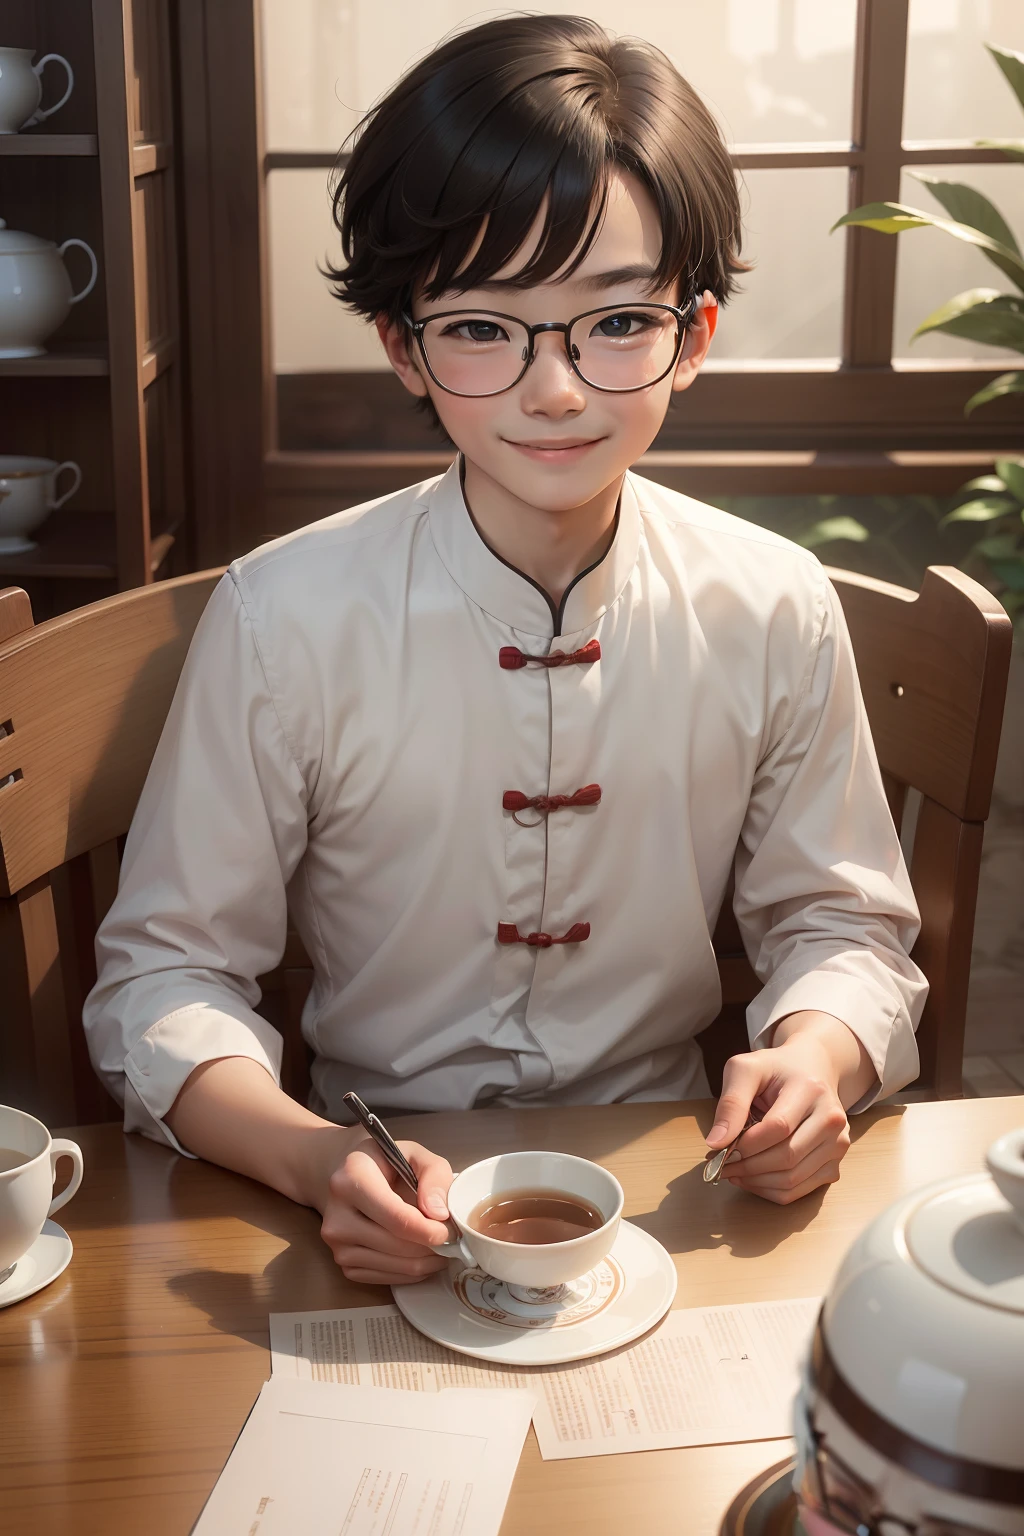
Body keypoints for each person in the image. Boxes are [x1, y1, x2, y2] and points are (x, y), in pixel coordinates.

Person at [83, 15, 926, 1287]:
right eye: (482, 326)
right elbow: (163, 976)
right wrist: (313, 1157)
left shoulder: (774, 604)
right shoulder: (284, 615)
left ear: (692, 336)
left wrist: (814, 1060)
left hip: (676, 1184)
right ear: (401, 346)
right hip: (364, 1189)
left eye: (615, 321)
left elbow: (843, 927)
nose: (555, 389)